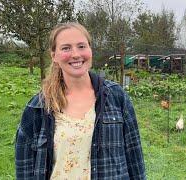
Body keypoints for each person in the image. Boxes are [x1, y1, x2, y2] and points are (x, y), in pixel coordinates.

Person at [15, 22, 146, 179]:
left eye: (81, 46)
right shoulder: (38, 107)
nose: (76, 54)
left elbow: (134, 157)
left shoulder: (116, 96)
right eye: (66, 48)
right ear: (53, 56)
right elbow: (24, 169)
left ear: (90, 50)